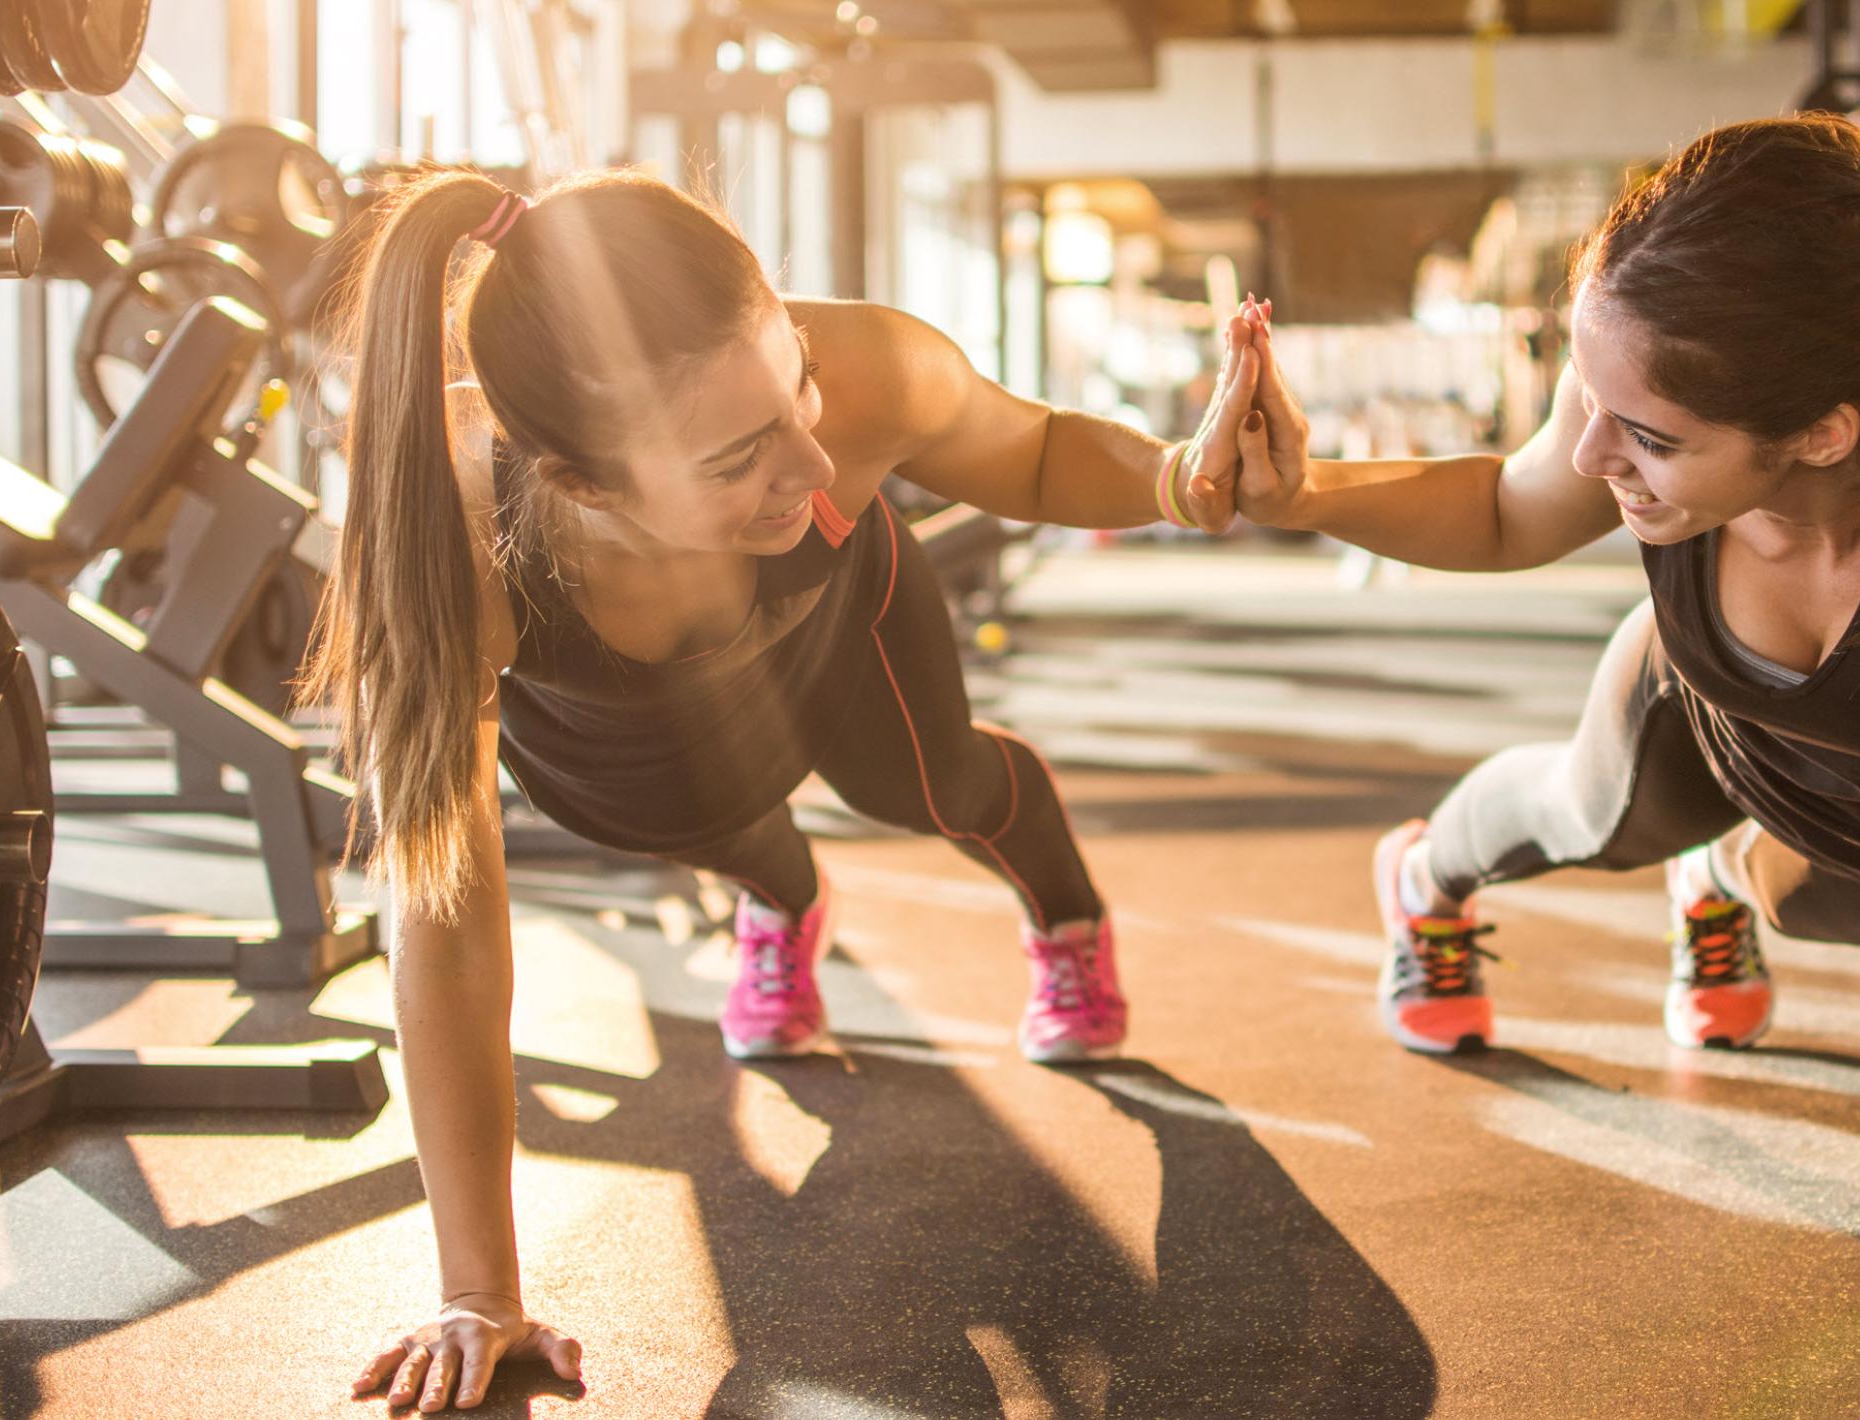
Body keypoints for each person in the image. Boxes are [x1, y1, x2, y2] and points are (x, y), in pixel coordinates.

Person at [1221, 116, 1860, 1420]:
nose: (1593, 456)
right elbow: (1509, 507)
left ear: (1821, 433)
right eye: (1595, 406)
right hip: (1696, 713)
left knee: (1824, 904)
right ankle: (1423, 875)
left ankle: (1726, 880)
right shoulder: (1653, 377)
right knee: (1587, 809)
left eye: (1644, 436)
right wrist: (1300, 498)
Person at [307, 170, 1260, 1413]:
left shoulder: (862, 375)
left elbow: (1024, 448)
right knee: (680, 821)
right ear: (582, 485)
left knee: (934, 783)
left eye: (794, 379)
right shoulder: (446, 519)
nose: (812, 457)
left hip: (835, 628)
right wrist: (478, 1287)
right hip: (620, 732)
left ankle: (1064, 916)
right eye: (737, 454)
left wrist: (1181, 477)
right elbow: (441, 924)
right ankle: (783, 902)